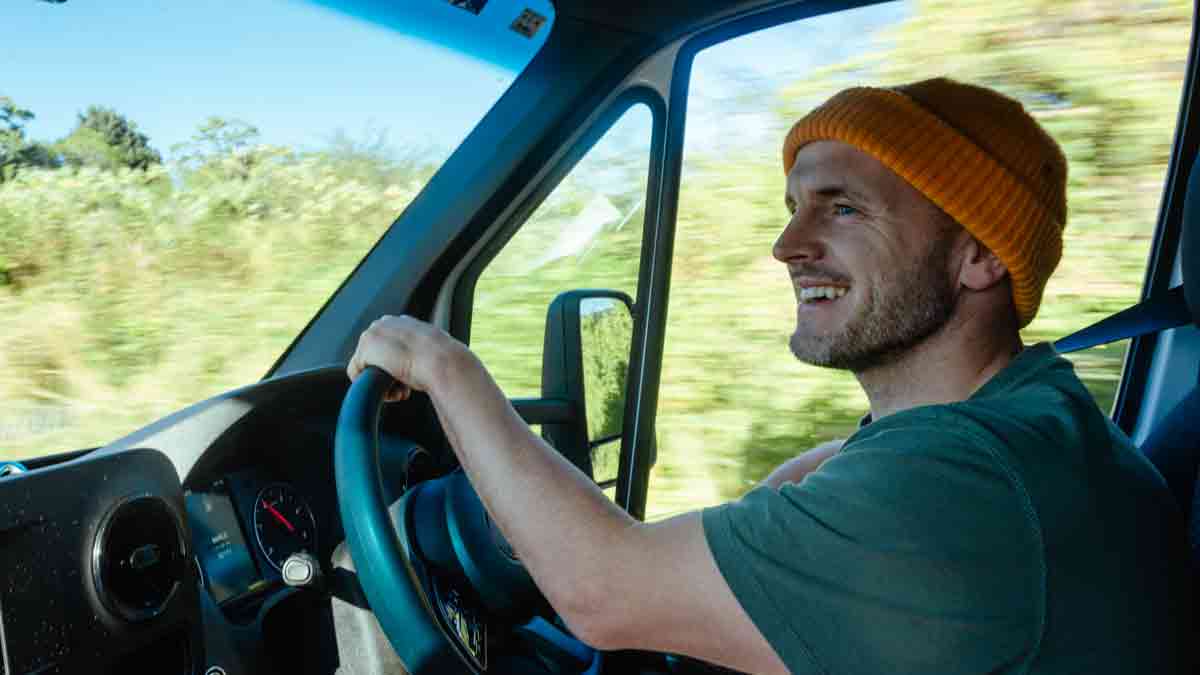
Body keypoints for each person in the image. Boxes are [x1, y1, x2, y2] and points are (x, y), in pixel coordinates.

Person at [348, 78, 1192, 674]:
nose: (788, 246)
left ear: (977, 256)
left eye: (843, 208)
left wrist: (442, 366)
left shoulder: (965, 481)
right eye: (794, 208)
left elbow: (601, 594)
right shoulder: (1034, 420)